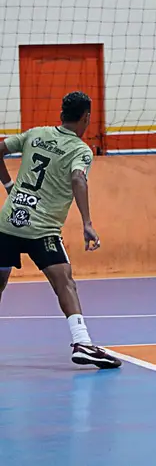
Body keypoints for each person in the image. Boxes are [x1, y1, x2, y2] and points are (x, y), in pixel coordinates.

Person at [0, 92, 121, 369]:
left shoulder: (35, 134)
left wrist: (8, 187)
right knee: (64, 282)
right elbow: (78, 178)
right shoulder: (80, 150)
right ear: (86, 117)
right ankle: (82, 342)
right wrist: (87, 223)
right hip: (42, 229)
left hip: (7, 223)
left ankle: (84, 343)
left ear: (61, 114)